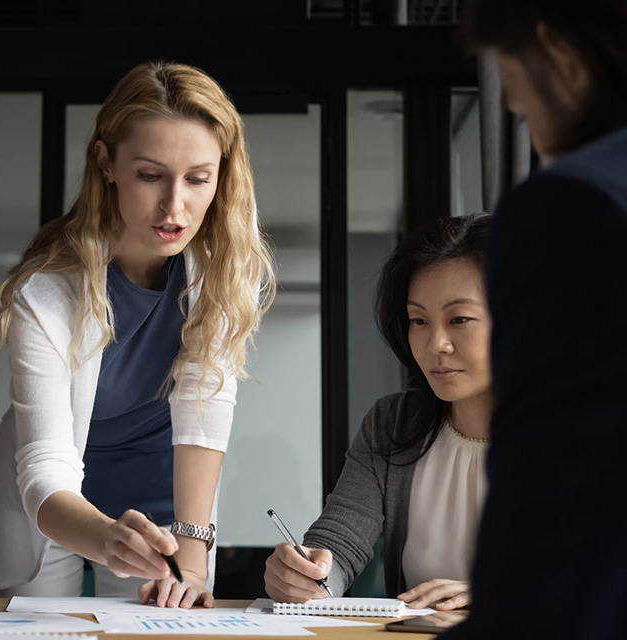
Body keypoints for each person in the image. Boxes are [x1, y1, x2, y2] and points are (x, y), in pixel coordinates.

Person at [0, 61, 275, 608]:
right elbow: (44, 465)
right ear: (106, 164)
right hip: (52, 503)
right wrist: (106, 537)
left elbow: (204, 419)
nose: (175, 206)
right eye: (151, 175)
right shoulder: (45, 294)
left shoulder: (225, 274)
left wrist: (192, 555)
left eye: (198, 179)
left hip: (163, 497)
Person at [443, 2, 627, 636]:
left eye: (521, 105)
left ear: (560, 52)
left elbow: (557, 511)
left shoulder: (575, 206)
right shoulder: (392, 426)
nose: (538, 139)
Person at [264, 213, 492, 612]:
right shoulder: (394, 422)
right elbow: (341, 539)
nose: (435, 342)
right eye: (418, 320)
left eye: (459, 319)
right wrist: (308, 576)